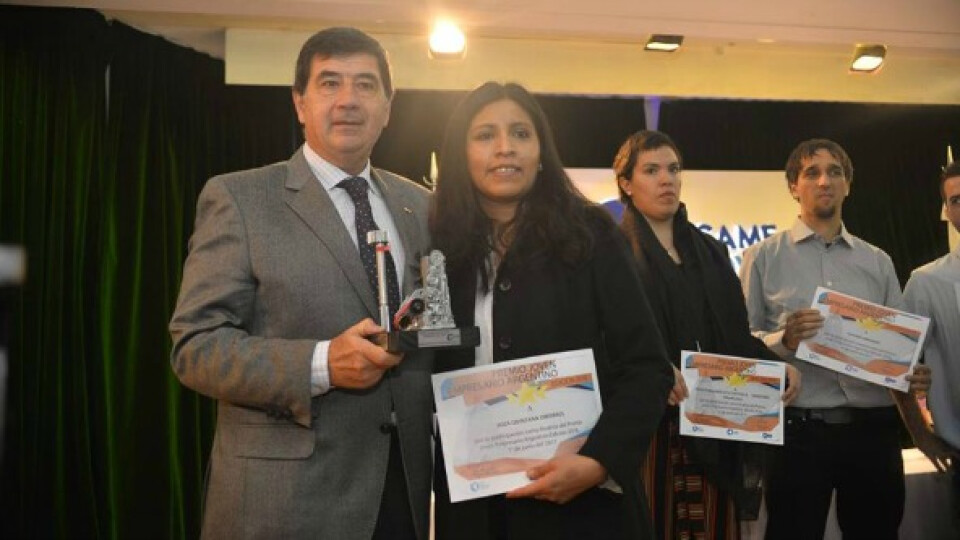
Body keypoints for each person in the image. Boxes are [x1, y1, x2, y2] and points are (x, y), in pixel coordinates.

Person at [169, 27, 433, 540]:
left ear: (388, 106)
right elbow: (195, 346)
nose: (348, 100)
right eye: (330, 83)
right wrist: (321, 364)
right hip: (284, 504)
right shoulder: (240, 199)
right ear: (299, 103)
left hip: (401, 495)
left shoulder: (420, 205)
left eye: (365, 85)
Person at [429, 82, 674, 540]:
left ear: (542, 151)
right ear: (460, 153)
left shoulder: (591, 234)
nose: (505, 147)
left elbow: (647, 368)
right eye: (485, 135)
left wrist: (598, 461)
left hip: (582, 510)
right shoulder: (437, 248)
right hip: (475, 513)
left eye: (521, 133)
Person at [739, 138, 947, 539]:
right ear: (793, 186)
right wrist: (785, 339)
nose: (824, 181)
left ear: (848, 185)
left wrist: (912, 375)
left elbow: (899, 352)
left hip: (873, 434)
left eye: (835, 172)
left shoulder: (878, 261)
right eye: (811, 173)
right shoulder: (762, 257)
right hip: (798, 434)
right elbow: (741, 345)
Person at [613, 130, 800, 540]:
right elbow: (600, 340)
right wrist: (652, 370)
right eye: (651, 170)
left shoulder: (711, 251)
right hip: (647, 432)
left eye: (674, 169)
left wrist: (776, 367)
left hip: (715, 424)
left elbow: (734, 335)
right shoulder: (609, 253)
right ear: (626, 183)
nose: (667, 179)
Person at [903, 161, 960, 512]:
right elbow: (895, 365)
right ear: (947, 211)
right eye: (956, 200)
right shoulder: (926, 282)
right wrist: (919, 433)